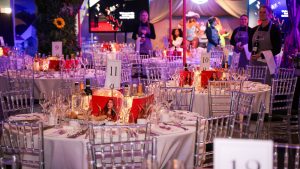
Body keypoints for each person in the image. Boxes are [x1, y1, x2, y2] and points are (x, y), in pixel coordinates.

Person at [248, 5, 281, 84]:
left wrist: (261, 54)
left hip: (268, 64)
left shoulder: (274, 29)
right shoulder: (253, 30)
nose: (262, 14)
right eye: (260, 12)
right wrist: (254, 54)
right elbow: (250, 48)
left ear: (269, 14)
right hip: (255, 63)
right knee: (253, 87)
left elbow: (277, 49)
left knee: (267, 87)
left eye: (264, 12)